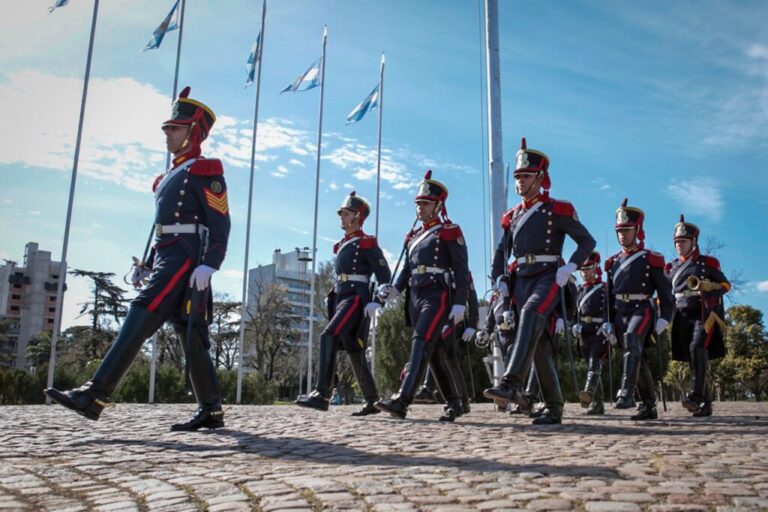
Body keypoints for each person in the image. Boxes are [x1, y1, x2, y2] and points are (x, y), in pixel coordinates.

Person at [45, 86, 230, 431]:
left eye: (174, 128)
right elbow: (162, 226)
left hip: (186, 259)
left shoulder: (205, 170)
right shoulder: (168, 177)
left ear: (193, 132)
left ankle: (94, 395)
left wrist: (210, 263)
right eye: (167, 128)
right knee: (190, 336)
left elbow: (220, 221)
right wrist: (147, 261)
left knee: (141, 309)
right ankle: (211, 410)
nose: (167, 134)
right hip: (168, 256)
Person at [483, 138, 595, 425]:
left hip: (549, 275)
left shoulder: (557, 209)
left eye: (526, 176)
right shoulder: (512, 216)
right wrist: (500, 281)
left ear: (540, 178)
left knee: (531, 313)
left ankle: (511, 382)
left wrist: (571, 266)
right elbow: (501, 253)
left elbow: (586, 241)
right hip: (520, 278)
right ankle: (554, 407)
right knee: (541, 346)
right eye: (518, 176)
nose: (520, 182)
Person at [376, 170, 470, 421]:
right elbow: (406, 270)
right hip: (415, 297)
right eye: (418, 203)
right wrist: (394, 289)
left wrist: (460, 302)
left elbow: (461, 270)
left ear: (438, 205)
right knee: (435, 351)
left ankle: (402, 400)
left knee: (420, 340)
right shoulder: (413, 237)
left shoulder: (448, 231)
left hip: (437, 294)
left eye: (425, 203)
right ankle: (454, 402)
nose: (420, 208)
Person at [295, 192, 391, 416]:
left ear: (357, 216)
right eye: (341, 213)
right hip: (340, 297)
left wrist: (377, 300)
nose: (341, 216)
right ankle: (371, 400)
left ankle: (322, 394)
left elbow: (384, 275)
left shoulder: (366, 243)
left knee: (328, 335)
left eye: (346, 213)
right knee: (354, 349)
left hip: (355, 298)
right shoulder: (342, 245)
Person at [602, 198, 674, 420]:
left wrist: (665, 317)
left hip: (642, 308)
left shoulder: (651, 259)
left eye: (627, 230)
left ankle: (627, 392)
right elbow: (609, 295)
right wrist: (607, 320)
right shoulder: (612, 262)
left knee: (633, 339)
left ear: (637, 230)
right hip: (620, 311)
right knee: (637, 357)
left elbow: (665, 292)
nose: (622, 234)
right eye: (620, 230)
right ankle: (649, 405)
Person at [667, 214, 730, 417]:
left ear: (693, 242)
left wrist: (707, 287)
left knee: (697, 348)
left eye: (683, 241)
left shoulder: (708, 262)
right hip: (682, 314)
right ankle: (705, 404)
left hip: (705, 313)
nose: (679, 245)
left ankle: (695, 396)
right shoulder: (672, 267)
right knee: (693, 357)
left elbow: (725, 285)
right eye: (677, 242)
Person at [571, 251, 609, 415]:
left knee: (595, 364)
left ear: (596, 267)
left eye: (588, 269)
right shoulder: (579, 290)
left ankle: (588, 392)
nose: (584, 272)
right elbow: (574, 313)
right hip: (584, 334)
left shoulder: (604, 289)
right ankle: (598, 403)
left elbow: (609, 309)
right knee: (590, 365)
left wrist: (609, 323)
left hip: (599, 331)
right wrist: (574, 325)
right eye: (582, 269)